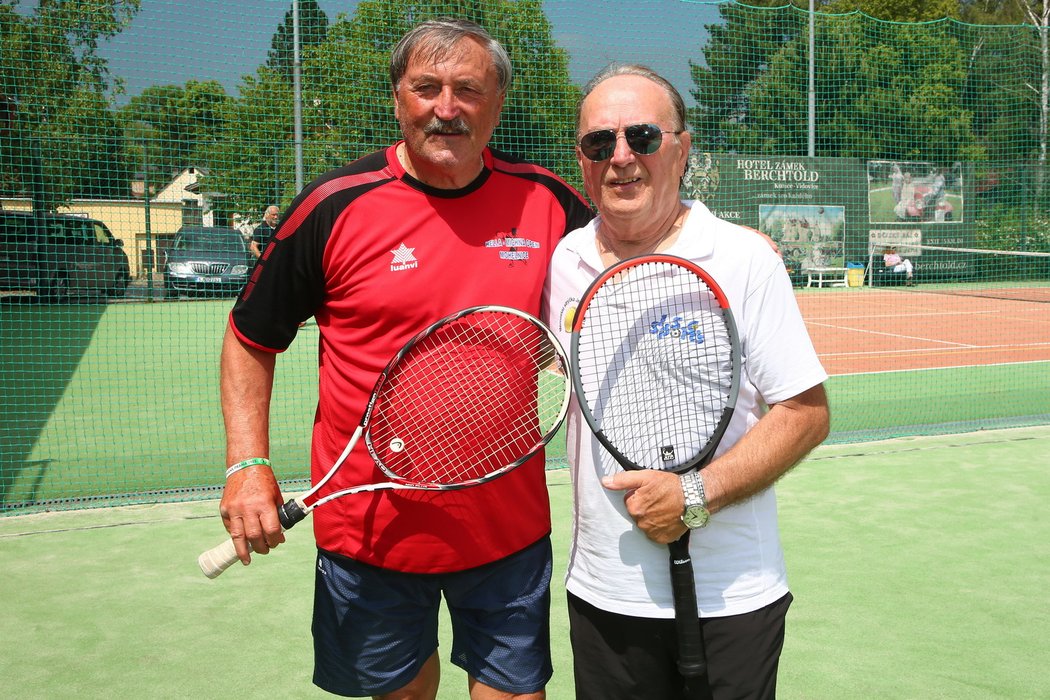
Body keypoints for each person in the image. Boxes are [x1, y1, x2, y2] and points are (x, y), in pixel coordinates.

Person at [218, 18, 592, 700]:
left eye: (467, 90)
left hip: (506, 533)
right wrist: (248, 466)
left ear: (496, 105)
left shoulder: (548, 201)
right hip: (372, 539)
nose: (446, 108)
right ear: (398, 99)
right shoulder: (334, 206)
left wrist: (720, 234)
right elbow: (250, 338)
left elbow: (630, 242)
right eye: (427, 88)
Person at [543, 64, 830, 700]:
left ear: (681, 147)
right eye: (599, 143)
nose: (621, 158)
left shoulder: (743, 258)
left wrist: (695, 495)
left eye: (642, 137)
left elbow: (806, 413)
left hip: (732, 599)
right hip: (602, 595)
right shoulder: (563, 261)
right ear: (582, 159)